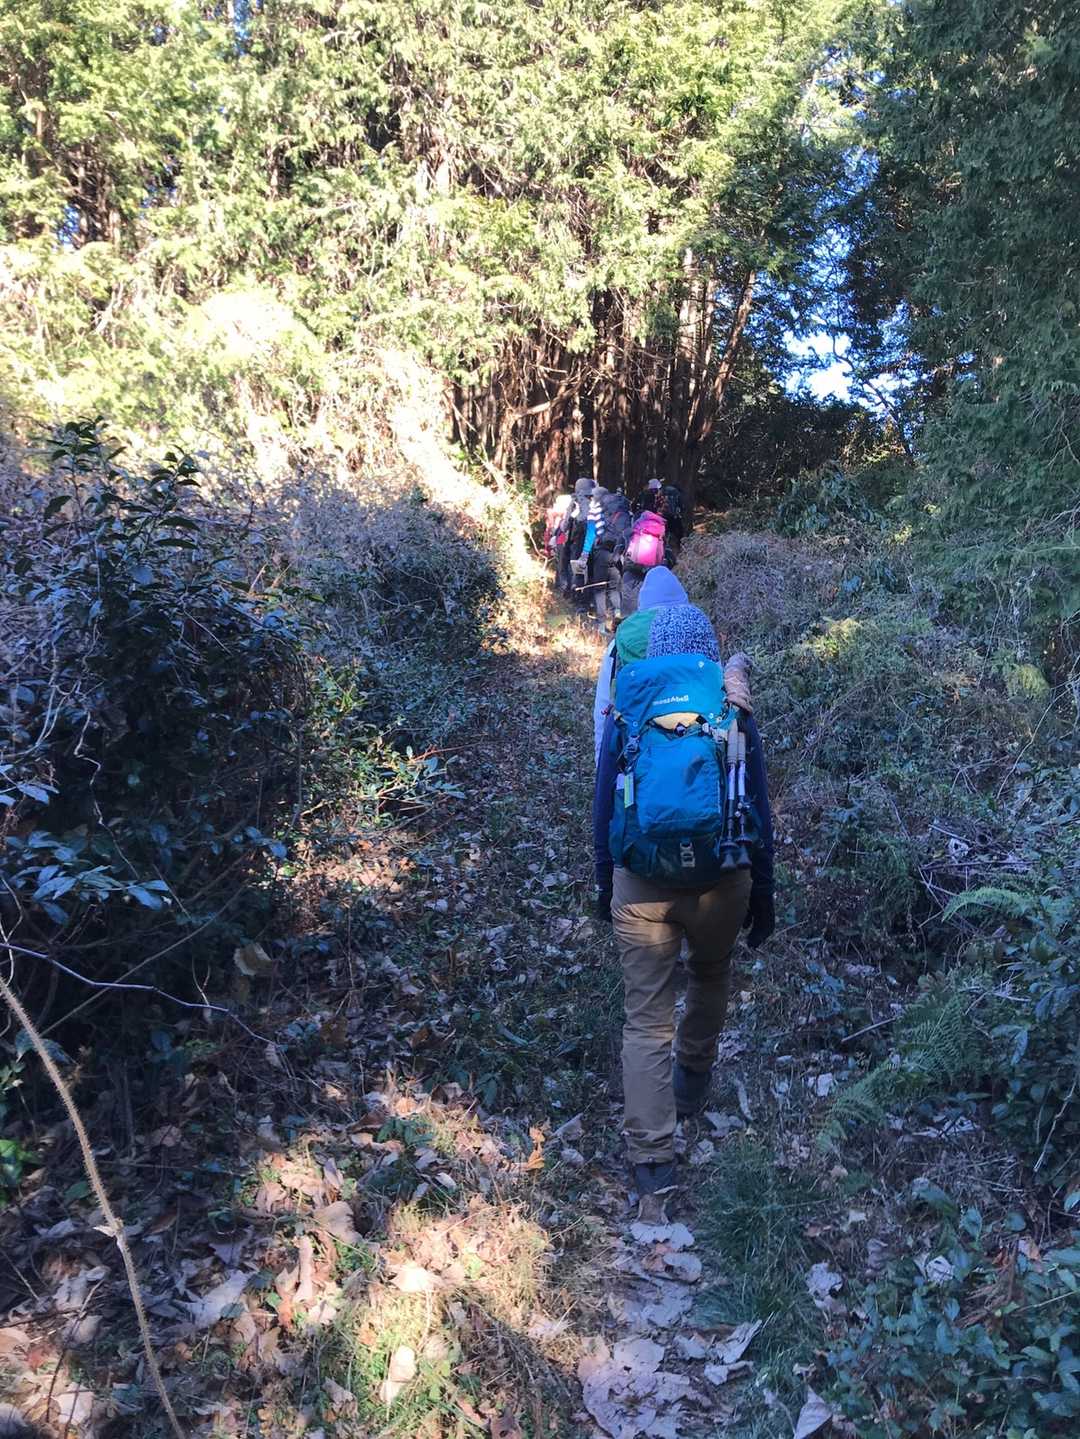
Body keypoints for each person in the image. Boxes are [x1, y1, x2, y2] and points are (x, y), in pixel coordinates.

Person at [593, 602, 774, 1204]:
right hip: (723, 877)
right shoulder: (730, 703)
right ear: (706, 649)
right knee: (711, 971)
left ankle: (651, 1161)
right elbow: (757, 809)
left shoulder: (629, 705)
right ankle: (691, 1082)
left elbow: (604, 805)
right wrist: (764, 894)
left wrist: (605, 884)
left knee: (646, 1018)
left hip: (642, 883)